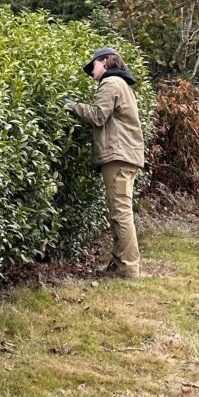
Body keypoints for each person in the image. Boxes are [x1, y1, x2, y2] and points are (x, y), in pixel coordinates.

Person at [63, 47, 146, 278]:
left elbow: (99, 115)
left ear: (105, 62)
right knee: (119, 212)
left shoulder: (111, 83)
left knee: (120, 213)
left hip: (118, 157)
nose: (92, 72)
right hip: (125, 156)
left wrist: (71, 106)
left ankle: (128, 269)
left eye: (94, 66)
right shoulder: (123, 85)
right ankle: (120, 264)